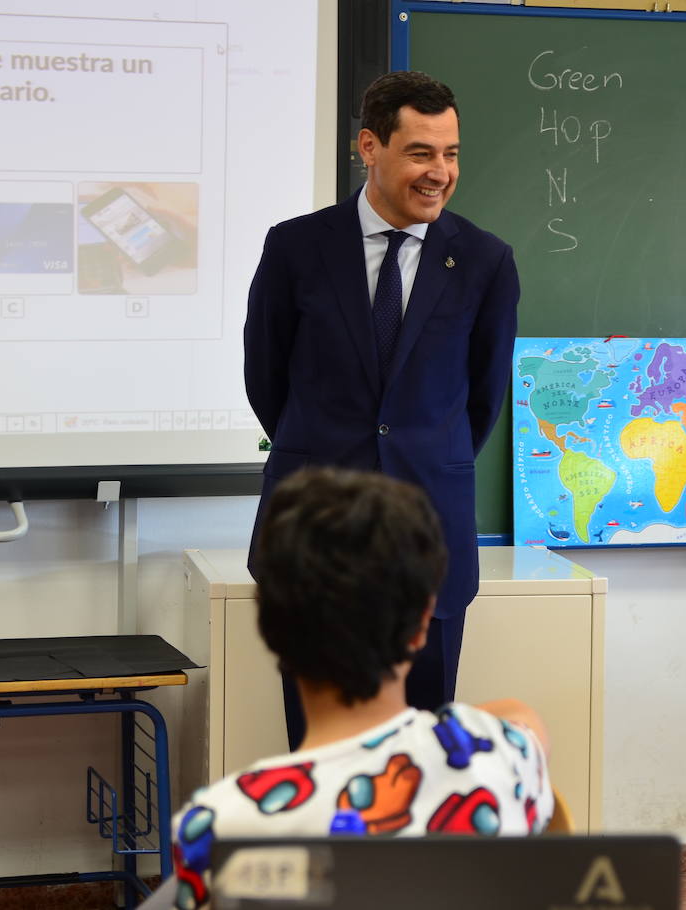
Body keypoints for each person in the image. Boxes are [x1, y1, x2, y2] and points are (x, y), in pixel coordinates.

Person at [243, 70, 519, 747]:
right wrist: (327, 452)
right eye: (421, 152)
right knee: (319, 747)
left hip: (431, 540)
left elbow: (482, 398)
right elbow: (265, 378)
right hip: (316, 533)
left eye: (451, 153)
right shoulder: (296, 248)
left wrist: (422, 452)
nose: (440, 172)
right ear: (370, 146)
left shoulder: (484, 261)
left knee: (421, 753)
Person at [167, 467, 552, 910]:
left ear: (271, 629)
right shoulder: (501, 759)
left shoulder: (219, 825)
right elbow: (524, 718)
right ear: (422, 622)